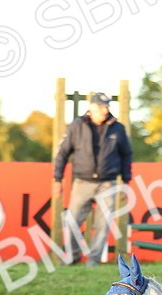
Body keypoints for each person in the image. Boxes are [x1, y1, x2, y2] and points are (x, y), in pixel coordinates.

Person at [52, 91, 133, 266]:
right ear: (92, 107)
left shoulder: (117, 128)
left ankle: (94, 260)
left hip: (107, 183)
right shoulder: (77, 126)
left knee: (103, 224)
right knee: (72, 221)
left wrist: (126, 182)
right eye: (102, 107)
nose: (106, 110)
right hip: (82, 182)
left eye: (107, 106)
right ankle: (73, 257)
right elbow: (63, 153)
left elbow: (127, 155)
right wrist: (57, 179)